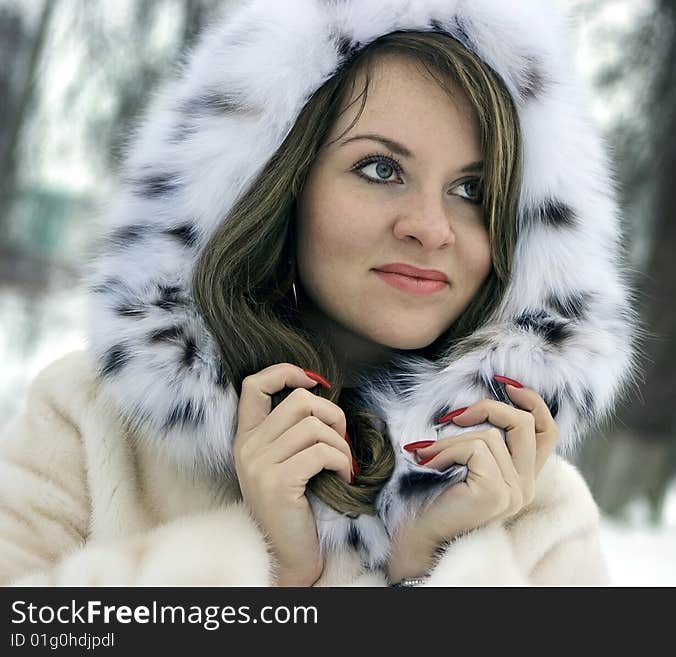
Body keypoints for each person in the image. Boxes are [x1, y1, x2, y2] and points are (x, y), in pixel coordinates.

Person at [0, 0, 636, 586]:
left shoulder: (536, 514)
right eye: (381, 169)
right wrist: (272, 567)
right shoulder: (93, 425)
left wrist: (427, 568)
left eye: (472, 191)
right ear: (282, 184)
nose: (430, 228)